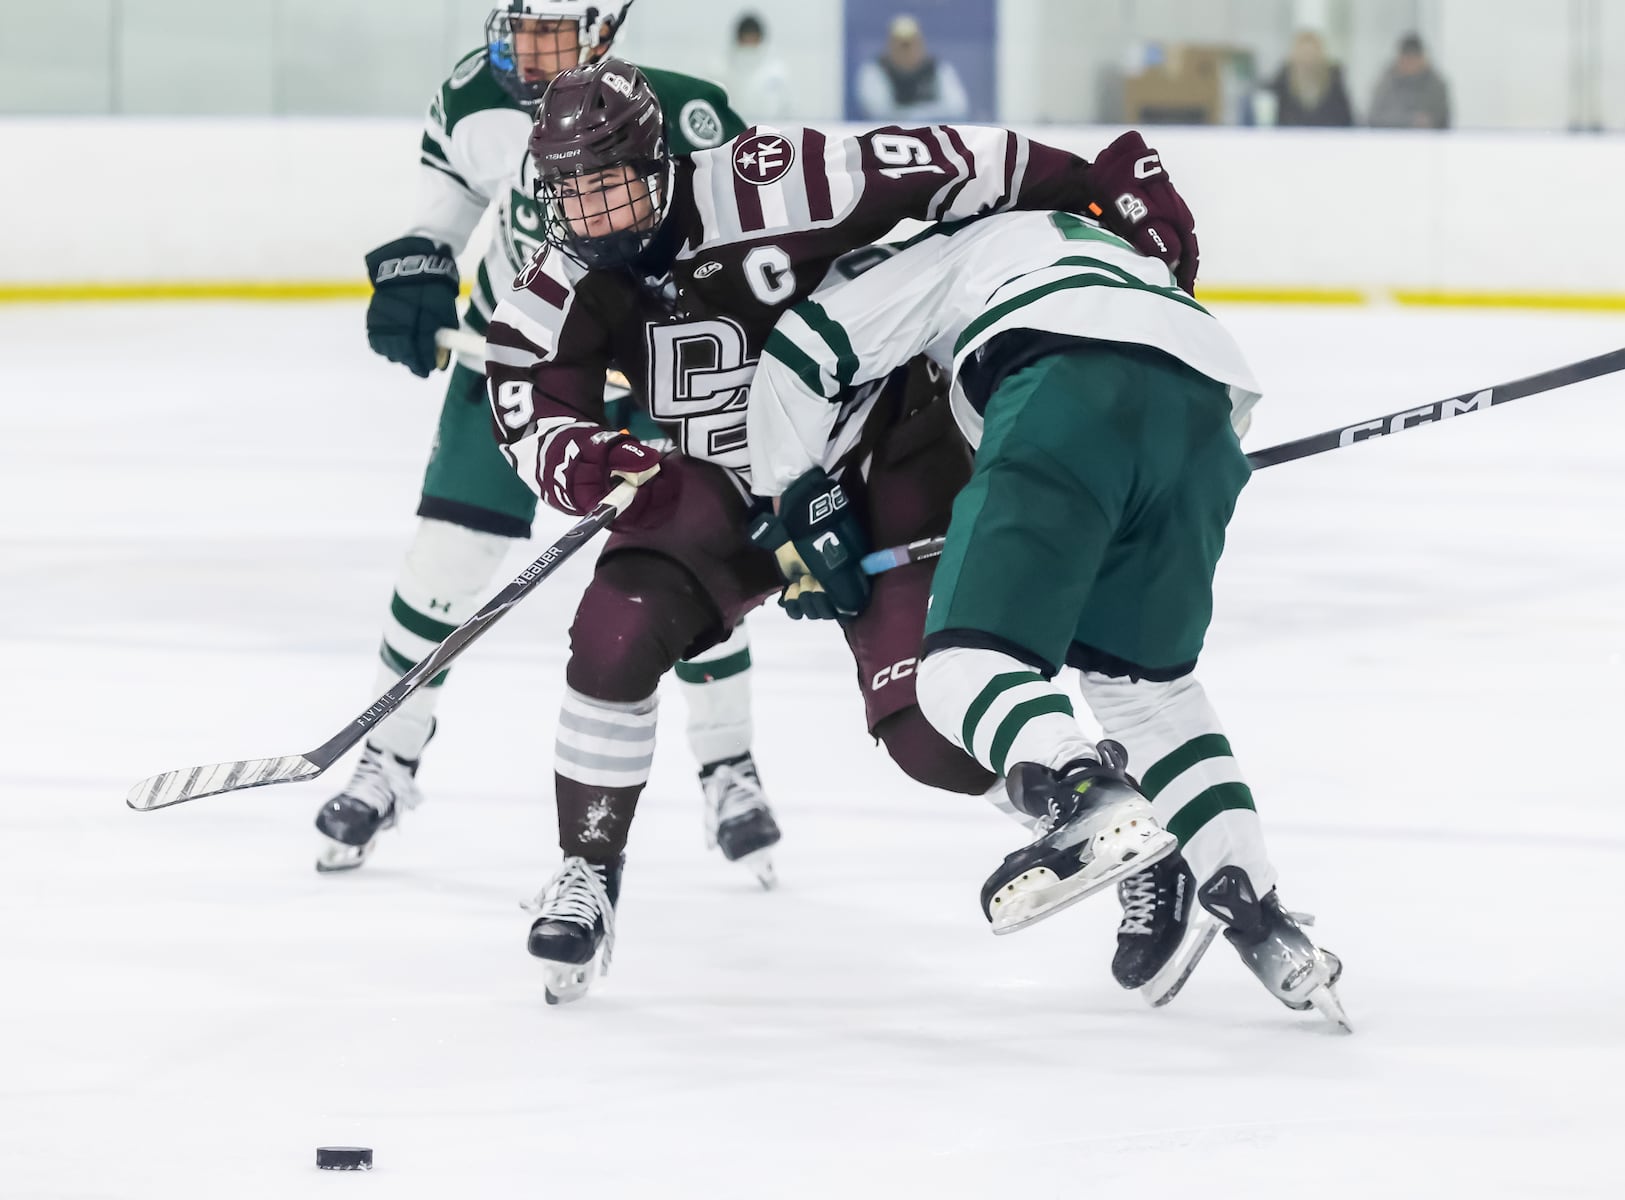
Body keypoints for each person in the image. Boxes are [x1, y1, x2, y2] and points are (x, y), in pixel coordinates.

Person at [481, 58, 1203, 1003]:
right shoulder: (566, 273)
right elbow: (520, 387)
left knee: (929, 733)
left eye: (612, 185)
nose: (594, 214)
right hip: (719, 482)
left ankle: (1113, 826)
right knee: (613, 637)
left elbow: (958, 160)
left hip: (879, 460)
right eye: (573, 194)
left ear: (660, 162)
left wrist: (1101, 183)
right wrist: (575, 457)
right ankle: (587, 871)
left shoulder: (775, 178)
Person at [744, 211, 1350, 1028]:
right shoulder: (1076, 243)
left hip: (1058, 382)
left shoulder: (921, 259)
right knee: (1146, 689)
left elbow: (800, 356)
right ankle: (1260, 914)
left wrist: (799, 512)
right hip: (1204, 404)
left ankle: (1079, 787)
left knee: (961, 668)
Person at [316, 1, 784, 883]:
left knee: (691, 575)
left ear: (603, 32)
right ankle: (386, 756)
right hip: (521, 357)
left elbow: (747, 240)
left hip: (653, 369)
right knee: (445, 563)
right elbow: (443, 212)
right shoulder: (471, 97)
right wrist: (418, 273)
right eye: (517, 28)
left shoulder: (684, 114)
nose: (526, 53)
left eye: (551, 34)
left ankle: (728, 764)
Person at [855, 15, 969, 123]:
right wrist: (919, 115)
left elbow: (957, 108)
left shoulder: (939, 69)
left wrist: (917, 115)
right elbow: (879, 112)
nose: (906, 50)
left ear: (920, 43)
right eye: (901, 44)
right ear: (889, 45)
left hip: (933, 137)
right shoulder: (874, 70)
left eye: (911, 43)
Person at [1268, 29, 1354, 127]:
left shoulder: (1335, 84)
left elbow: (1347, 120)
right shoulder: (1280, 84)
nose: (1307, 61)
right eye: (1303, 55)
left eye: (1311, 55)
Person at [1368, 33, 1450, 129]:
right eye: (1407, 59)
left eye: (1414, 59)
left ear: (1422, 59)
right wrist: (1411, 120)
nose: (1410, 64)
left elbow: (1441, 119)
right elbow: (1374, 117)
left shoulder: (1436, 85)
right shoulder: (1387, 81)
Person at [722, 13, 793, 122]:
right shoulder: (723, 69)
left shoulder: (776, 71)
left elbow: (788, 107)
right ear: (739, 38)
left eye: (753, 37)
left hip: (771, 131)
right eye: (746, 37)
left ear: (760, 38)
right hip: (738, 132)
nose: (750, 41)